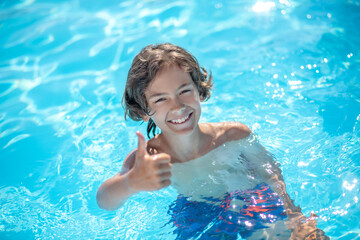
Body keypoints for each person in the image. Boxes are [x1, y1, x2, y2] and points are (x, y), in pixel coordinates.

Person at [96, 43, 328, 239]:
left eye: (184, 91)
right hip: (196, 209)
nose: (177, 106)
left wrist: (294, 214)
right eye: (160, 99)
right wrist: (131, 183)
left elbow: (271, 175)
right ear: (144, 111)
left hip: (248, 196)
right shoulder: (148, 157)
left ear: (200, 91)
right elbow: (105, 202)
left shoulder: (235, 135)